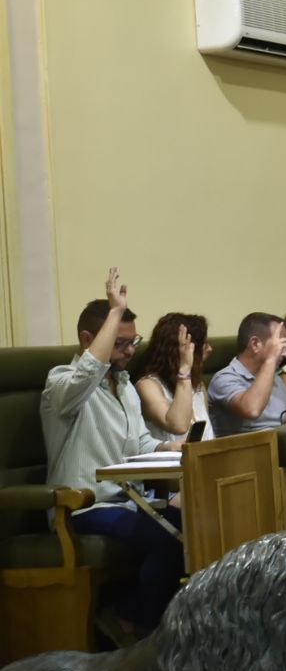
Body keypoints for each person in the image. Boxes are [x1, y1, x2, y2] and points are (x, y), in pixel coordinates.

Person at [40, 268, 183, 638]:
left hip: (131, 501)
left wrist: (172, 448)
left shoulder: (124, 385)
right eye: (121, 343)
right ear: (89, 339)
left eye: (134, 341)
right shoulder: (61, 384)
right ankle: (135, 622)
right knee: (167, 540)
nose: (131, 351)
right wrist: (115, 312)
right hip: (84, 508)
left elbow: (140, 447)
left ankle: (147, 618)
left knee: (196, 527)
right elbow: (86, 374)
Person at [207, 312, 286, 437]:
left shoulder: (276, 378)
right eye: (279, 346)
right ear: (255, 344)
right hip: (246, 451)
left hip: (281, 447)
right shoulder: (224, 378)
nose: (285, 354)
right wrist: (271, 359)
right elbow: (252, 410)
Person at [132, 313, 210, 442]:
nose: (209, 349)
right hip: (173, 460)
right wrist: (185, 369)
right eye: (204, 344)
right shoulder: (148, 385)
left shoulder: (198, 384)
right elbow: (178, 425)